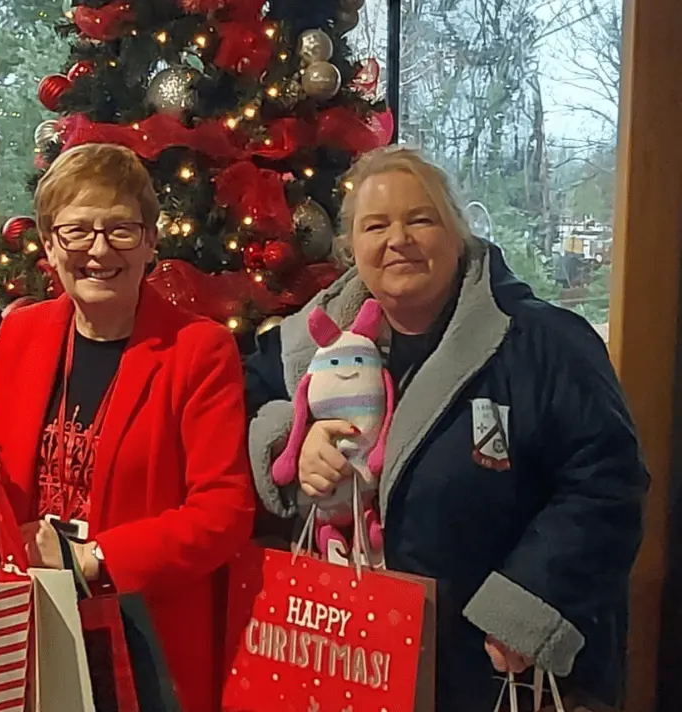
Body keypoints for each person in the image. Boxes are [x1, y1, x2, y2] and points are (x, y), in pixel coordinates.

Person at [246, 145, 647, 711]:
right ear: (351, 247)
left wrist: (526, 608)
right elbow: (241, 401)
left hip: (494, 672)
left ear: (457, 232)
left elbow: (607, 484)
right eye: (376, 225)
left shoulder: (545, 342)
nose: (398, 239)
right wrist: (296, 435)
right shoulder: (305, 344)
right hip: (359, 664)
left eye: (421, 219)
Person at [0, 143, 256, 712]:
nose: (98, 251)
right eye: (76, 232)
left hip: (144, 640)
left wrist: (96, 558)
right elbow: (0, 478)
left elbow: (224, 511)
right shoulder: (21, 335)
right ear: (49, 244)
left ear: (149, 242)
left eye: (120, 230)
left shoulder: (200, 350)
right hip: (29, 627)